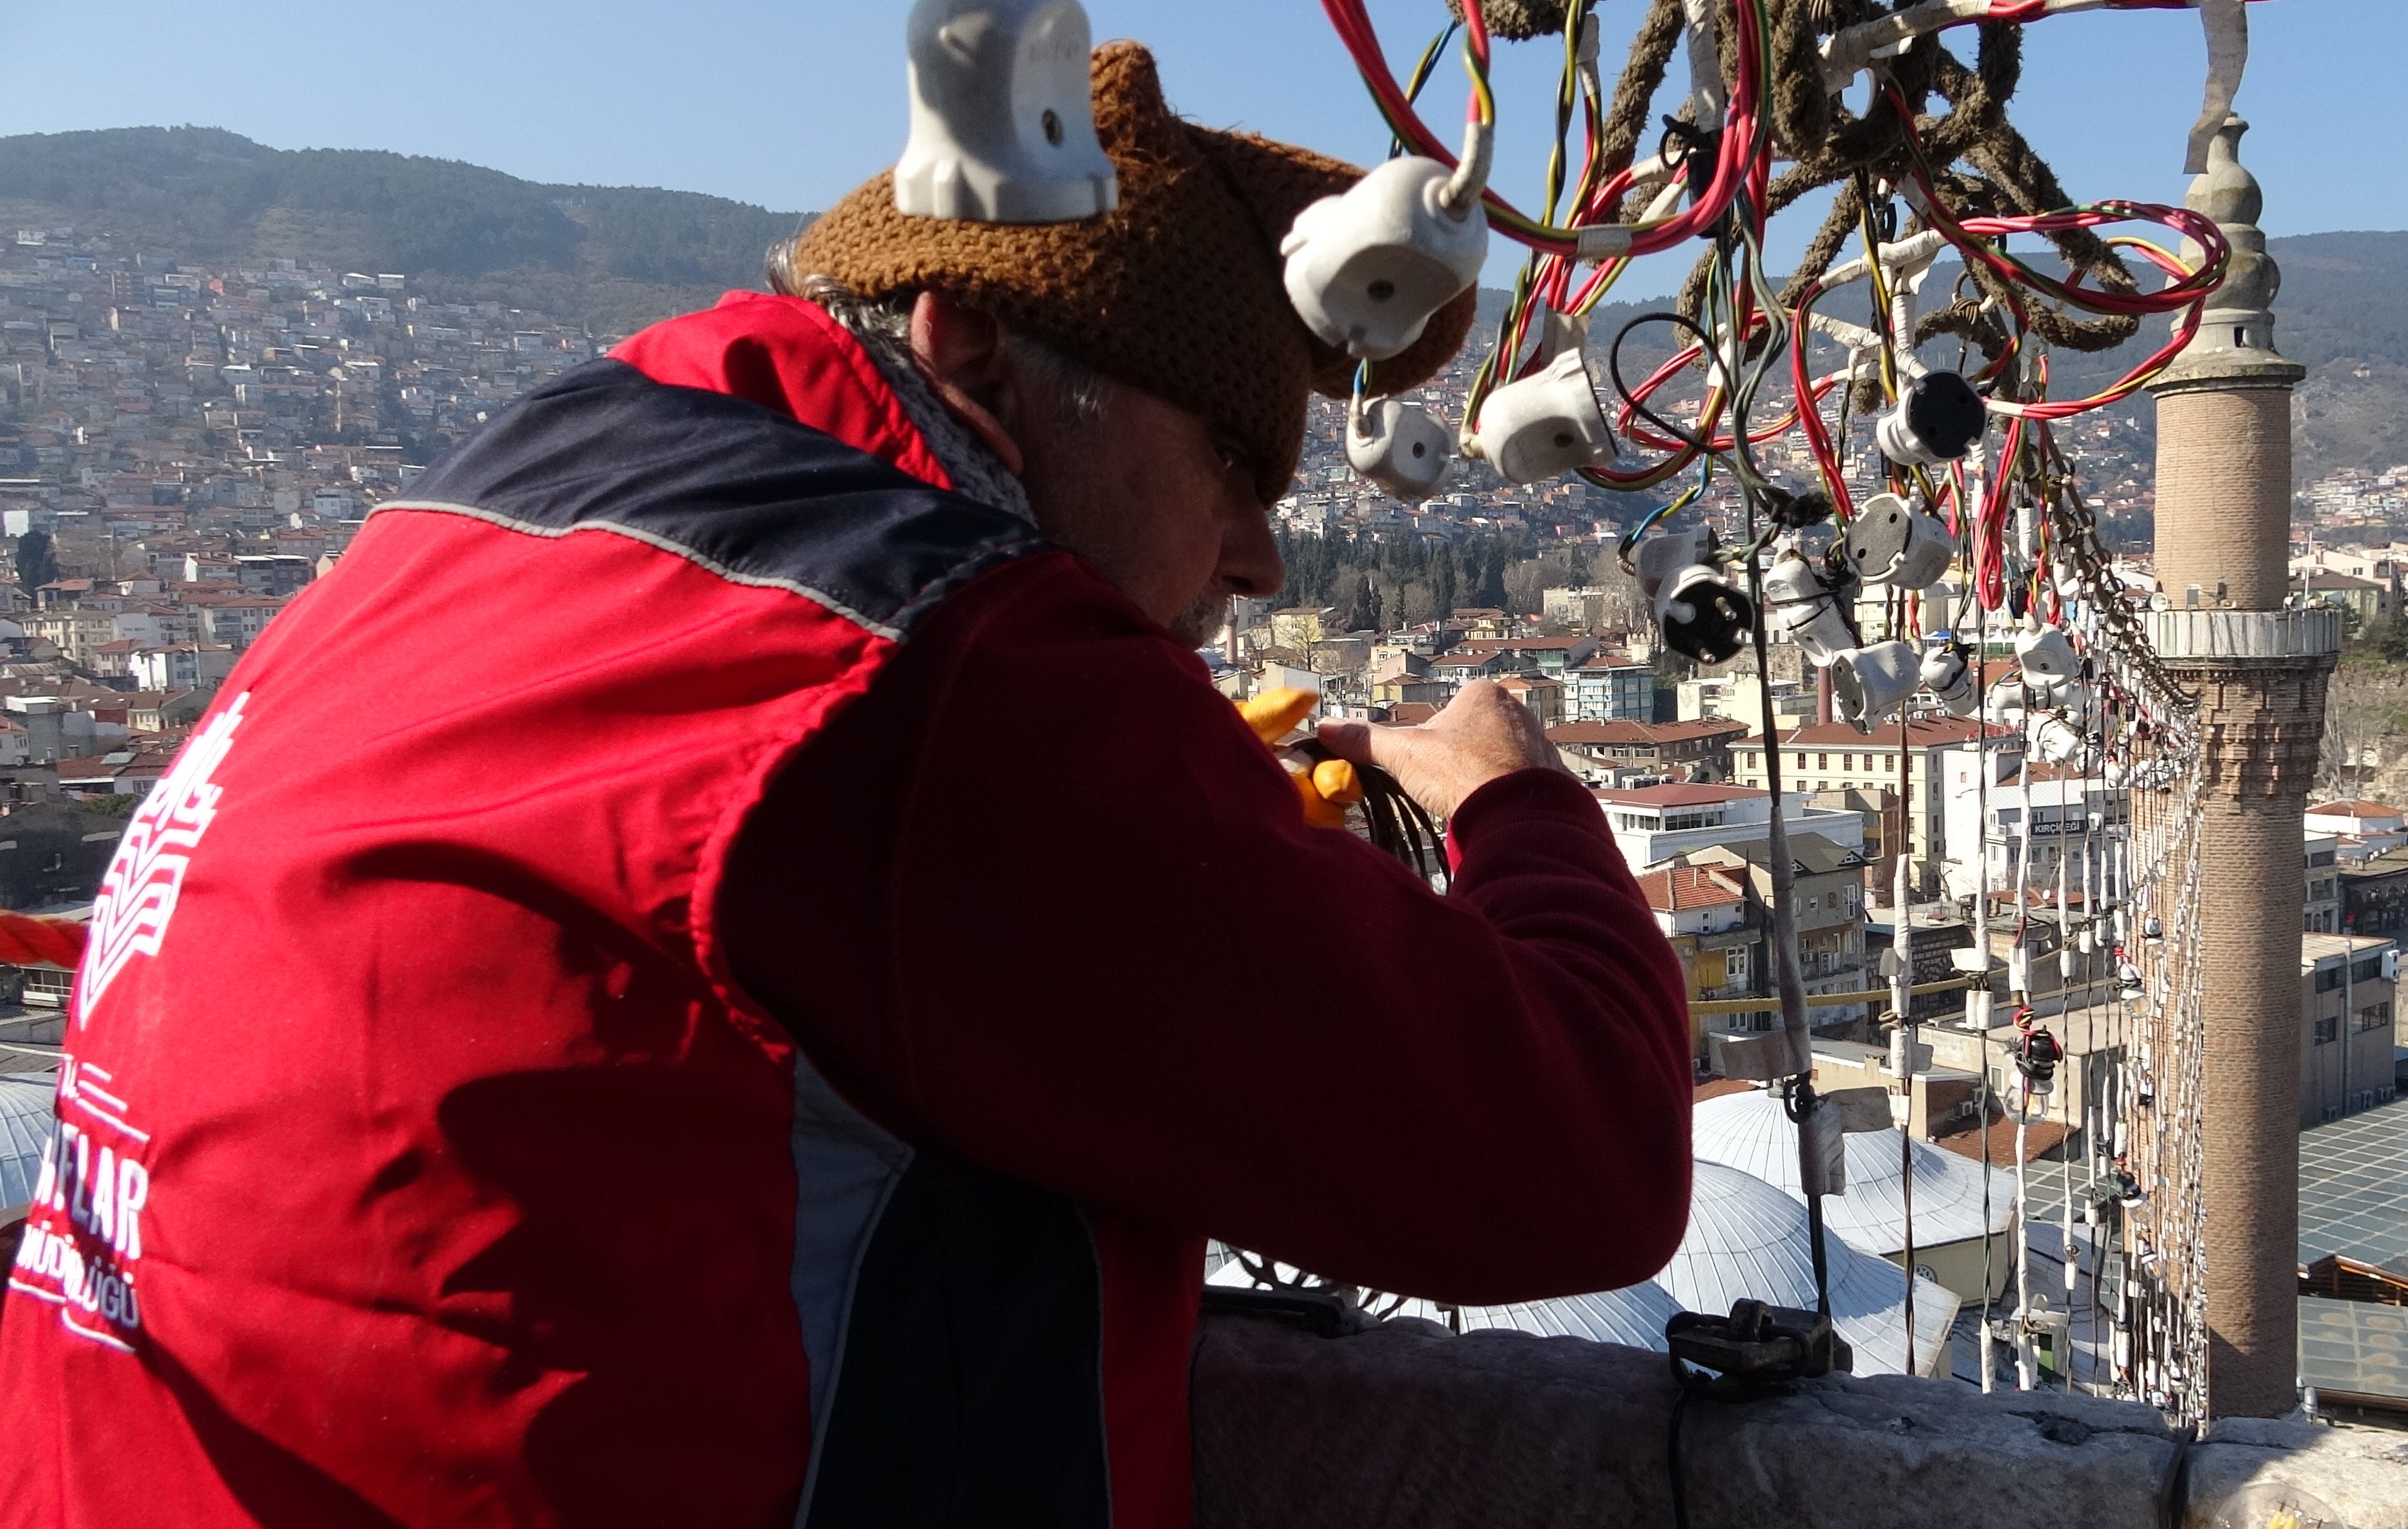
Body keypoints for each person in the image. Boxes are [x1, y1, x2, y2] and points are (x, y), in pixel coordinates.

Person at [0, 42, 1690, 1529]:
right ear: (975, 350)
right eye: (1232, 462)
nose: (1257, 554)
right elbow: (1586, 1152)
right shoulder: (929, 658)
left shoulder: (500, 500)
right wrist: (1504, 800)